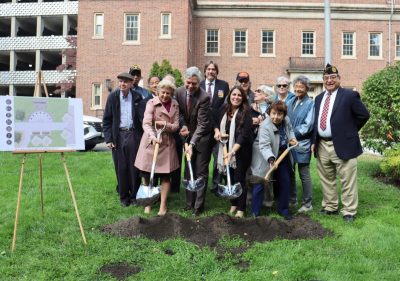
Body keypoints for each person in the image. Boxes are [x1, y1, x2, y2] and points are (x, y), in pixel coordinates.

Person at [311, 64, 370, 222]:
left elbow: (364, 115)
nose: (329, 80)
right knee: (326, 177)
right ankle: (330, 206)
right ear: (323, 80)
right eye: (326, 78)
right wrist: (314, 141)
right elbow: (316, 122)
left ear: (339, 79)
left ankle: (349, 210)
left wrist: (349, 131)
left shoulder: (349, 95)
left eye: (333, 77)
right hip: (322, 144)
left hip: (344, 144)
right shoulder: (318, 98)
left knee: (347, 179)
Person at [103, 72, 149, 207]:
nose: (122, 84)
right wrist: (109, 139)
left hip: (134, 135)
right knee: (121, 167)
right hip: (119, 136)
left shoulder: (137, 97)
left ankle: (134, 196)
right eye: (120, 81)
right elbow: (107, 120)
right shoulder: (113, 97)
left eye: (125, 82)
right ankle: (124, 197)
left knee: (134, 167)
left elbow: (142, 118)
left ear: (131, 84)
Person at [135, 79, 179, 216]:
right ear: (158, 91)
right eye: (163, 92)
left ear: (172, 93)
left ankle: (162, 206)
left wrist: (164, 125)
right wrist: (153, 137)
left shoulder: (175, 104)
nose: (165, 95)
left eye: (168, 93)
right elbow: (146, 123)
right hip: (151, 142)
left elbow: (176, 126)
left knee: (166, 177)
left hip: (167, 144)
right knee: (147, 175)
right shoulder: (151, 103)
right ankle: (148, 203)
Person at [175, 66, 213, 216]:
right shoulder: (178, 92)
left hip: (202, 138)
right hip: (187, 135)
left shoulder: (204, 97)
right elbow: (179, 114)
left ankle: (198, 206)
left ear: (200, 83)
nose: (190, 86)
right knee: (188, 170)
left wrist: (192, 144)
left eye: (194, 84)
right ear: (185, 80)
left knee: (200, 172)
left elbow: (203, 124)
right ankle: (189, 203)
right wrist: (183, 125)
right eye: (188, 82)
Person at [250, 101, 297, 219]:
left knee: (285, 182)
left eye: (279, 114)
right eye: (273, 113)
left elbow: (290, 130)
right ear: (269, 113)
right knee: (260, 181)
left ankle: (283, 210)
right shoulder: (265, 126)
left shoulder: (286, 120)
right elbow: (264, 146)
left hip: (282, 154)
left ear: (284, 115)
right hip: (263, 155)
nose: (276, 117)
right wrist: (271, 159)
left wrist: (292, 138)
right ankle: (255, 212)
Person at [214, 86, 253, 218]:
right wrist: (217, 131)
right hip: (225, 149)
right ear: (229, 96)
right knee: (228, 176)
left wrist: (232, 152)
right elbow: (215, 122)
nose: (236, 97)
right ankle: (233, 204)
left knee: (239, 179)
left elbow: (244, 135)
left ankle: (241, 209)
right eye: (234, 95)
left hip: (241, 152)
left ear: (243, 98)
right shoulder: (224, 109)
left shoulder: (246, 112)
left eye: (239, 95)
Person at [199, 60, 230, 194]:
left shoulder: (224, 85)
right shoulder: (199, 85)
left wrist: (219, 126)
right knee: (203, 159)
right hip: (204, 129)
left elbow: (226, 105)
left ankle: (216, 185)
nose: (211, 71)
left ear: (217, 72)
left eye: (213, 69)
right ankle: (202, 184)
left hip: (219, 129)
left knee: (218, 158)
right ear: (204, 71)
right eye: (209, 69)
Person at [286, 75, 314, 213]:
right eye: (296, 86)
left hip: (302, 144)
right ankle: (292, 199)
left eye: (301, 87)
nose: (298, 89)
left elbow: (307, 126)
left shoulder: (310, 103)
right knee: (290, 173)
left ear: (307, 88)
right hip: (289, 144)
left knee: (304, 175)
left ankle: (308, 204)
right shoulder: (290, 101)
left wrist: (291, 135)